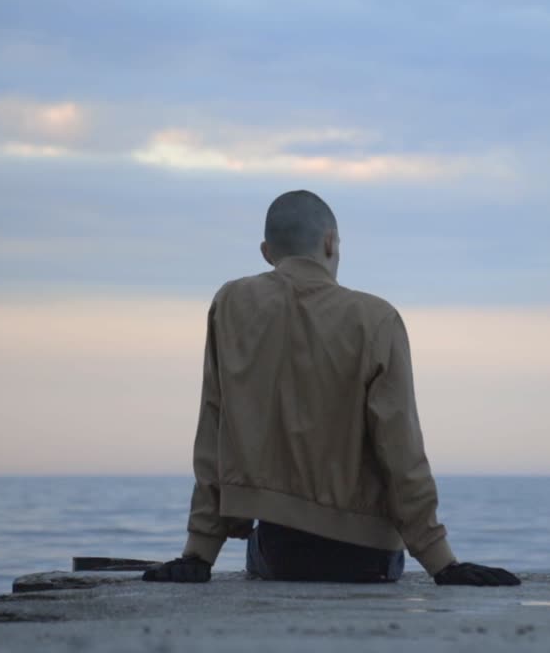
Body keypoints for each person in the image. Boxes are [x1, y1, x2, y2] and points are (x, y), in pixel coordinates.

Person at [143, 190, 520, 587]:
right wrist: (441, 561)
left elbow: (214, 426)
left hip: (279, 553)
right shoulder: (376, 319)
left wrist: (199, 553)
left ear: (267, 251)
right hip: (367, 558)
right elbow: (401, 448)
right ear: (330, 243)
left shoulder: (231, 303)